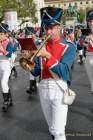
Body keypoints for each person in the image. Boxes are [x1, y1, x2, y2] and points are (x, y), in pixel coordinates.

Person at [24, 7, 76, 140]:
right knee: (52, 129)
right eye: (46, 27)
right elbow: (37, 72)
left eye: (52, 27)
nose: (48, 31)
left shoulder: (69, 46)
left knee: (58, 131)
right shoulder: (41, 45)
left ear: (59, 27)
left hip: (59, 88)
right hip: (43, 89)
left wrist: (47, 55)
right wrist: (29, 64)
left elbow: (64, 71)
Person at [84, 10, 93, 94]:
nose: (91, 23)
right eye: (90, 21)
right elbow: (84, 46)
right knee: (92, 84)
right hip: (88, 57)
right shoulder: (87, 33)